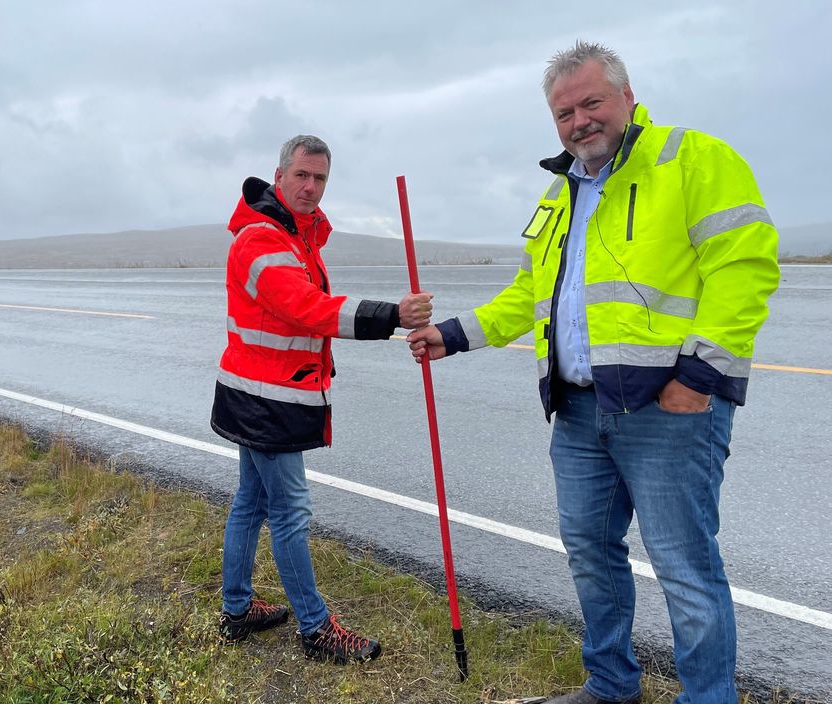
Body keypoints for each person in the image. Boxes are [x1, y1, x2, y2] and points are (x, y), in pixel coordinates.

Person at [406, 42, 779, 703]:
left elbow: (743, 270)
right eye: (563, 112)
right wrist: (453, 335)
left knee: (685, 569)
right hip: (579, 415)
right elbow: (530, 295)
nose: (578, 121)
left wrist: (699, 376)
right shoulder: (561, 194)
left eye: (591, 103)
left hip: (669, 410)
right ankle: (610, 685)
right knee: (590, 554)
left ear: (628, 97)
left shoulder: (693, 159)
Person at [211, 134, 432, 664]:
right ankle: (315, 629)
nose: (311, 188)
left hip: (261, 392)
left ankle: (237, 610)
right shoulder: (261, 241)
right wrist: (392, 317)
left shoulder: (295, 236)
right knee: (289, 510)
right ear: (279, 175)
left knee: (252, 502)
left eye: (321, 179)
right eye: (302, 176)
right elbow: (307, 309)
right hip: (268, 400)